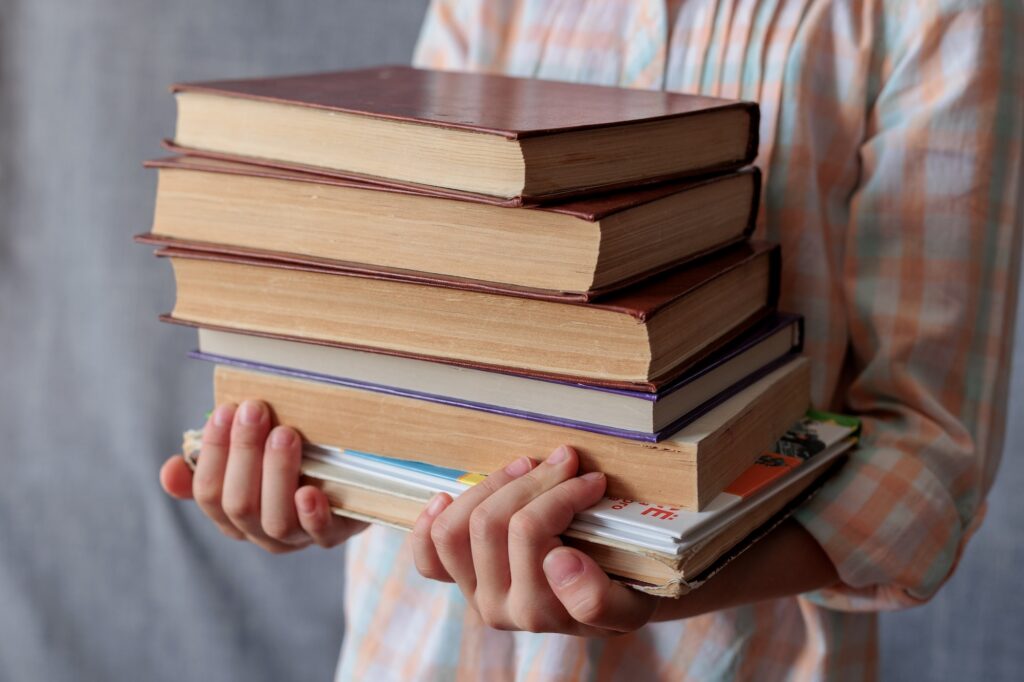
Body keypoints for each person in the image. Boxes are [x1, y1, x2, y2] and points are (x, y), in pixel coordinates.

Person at [160, 0, 1023, 678]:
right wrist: (339, 473)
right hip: (415, 649)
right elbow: (423, 277)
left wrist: (660, 581)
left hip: (734, 657)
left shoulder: (930, 13)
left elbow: (926, 455)